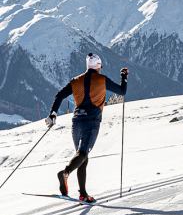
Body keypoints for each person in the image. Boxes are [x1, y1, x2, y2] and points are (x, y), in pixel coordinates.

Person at [45, 53, 128, 202]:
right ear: (98, 66)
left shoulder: (76, 80)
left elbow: (59, 95)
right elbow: (122, 92)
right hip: (91, 121)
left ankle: (83, 193)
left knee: (82, 156)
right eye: (101, 66)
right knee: (82, 154)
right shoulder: (102, 80)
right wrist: (124, 76)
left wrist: (53, 114)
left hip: (76, 122)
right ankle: (66, 172)